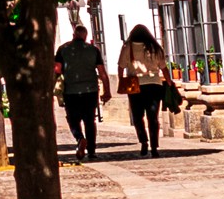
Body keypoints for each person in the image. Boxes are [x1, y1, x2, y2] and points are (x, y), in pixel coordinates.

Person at [53, 25, 110, 160]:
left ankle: (79, 138)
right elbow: (102, 72)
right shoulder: (93, 50)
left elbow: (57, 70)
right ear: (85, 36)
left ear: (74, 35)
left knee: (73, 119)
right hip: (90, 90)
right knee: (90, 120)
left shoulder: (63, 49)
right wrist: (107, 91)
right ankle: (91, 151)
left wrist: (51, 87)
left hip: (71, 91)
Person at [117, 24, 170, 158]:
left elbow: (121, 66)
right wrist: (169, 82)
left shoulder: (127, 47)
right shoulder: (155, 47)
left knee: (137, 116)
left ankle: (143, 141)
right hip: (154, 84)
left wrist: (121, 80)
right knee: (153, 117)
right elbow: (163, 67)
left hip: (135, 84)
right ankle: (154, 146)